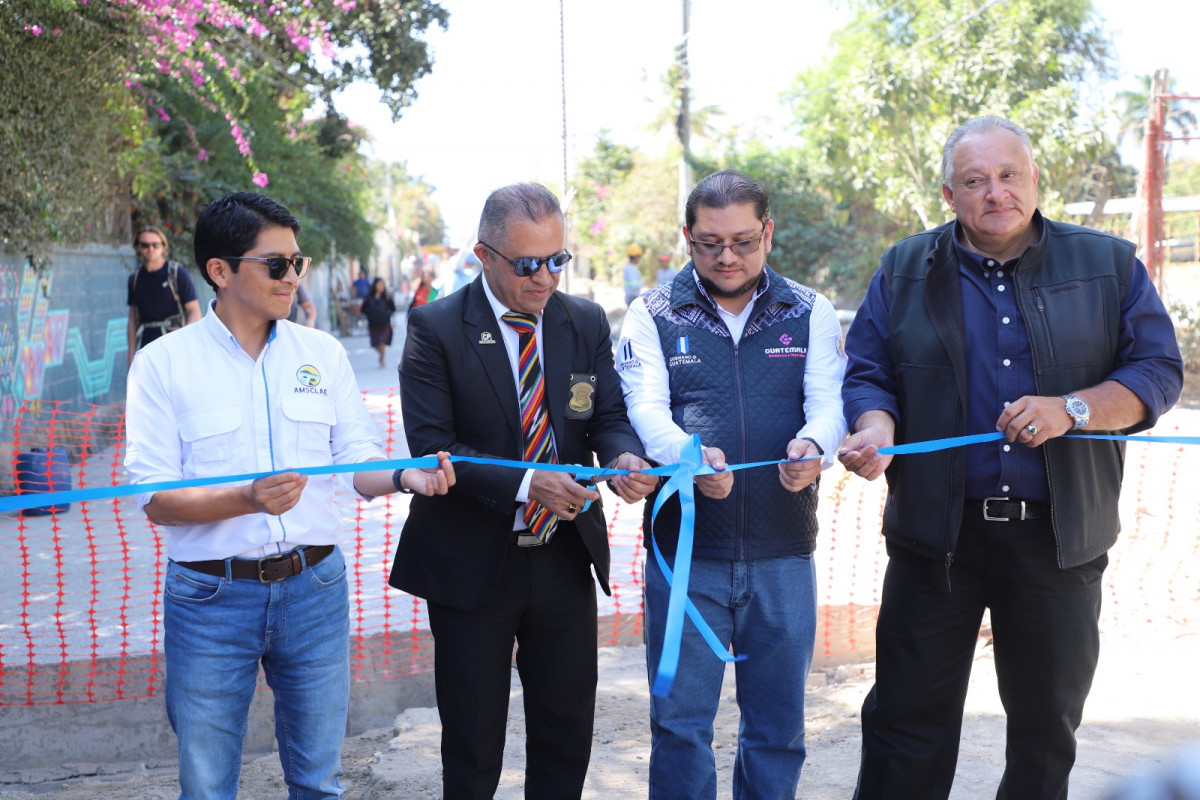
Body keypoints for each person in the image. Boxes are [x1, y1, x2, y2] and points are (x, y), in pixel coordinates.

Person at [838, 115, 1184, 800]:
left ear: (1032, 179)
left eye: (1008, 175)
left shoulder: (1108, 263)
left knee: (1045, 733)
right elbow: (869, 372)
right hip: (935, 539)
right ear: (948, 194)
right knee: (905, 727)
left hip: (1057, 542)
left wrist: (1073, 408)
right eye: (975, 181)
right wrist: (875, 427)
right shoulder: (905, 267)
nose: (995, 192)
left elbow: (1158, 372)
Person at [124, 191, 457, 799]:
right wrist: (247, 499)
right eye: (275, 264)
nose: (292, 276)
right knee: (206, 783)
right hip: (208, 597)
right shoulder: (162, 364)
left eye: (297, 262)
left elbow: (358, 462)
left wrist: (409, 477)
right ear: (220, 272)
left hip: (315, 591)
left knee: (318, 782)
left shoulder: (322, 354)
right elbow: (155, 498)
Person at [389, 182, 658, 799]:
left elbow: (607, 413)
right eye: (528, 264)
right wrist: (527, 482)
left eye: (558, 259)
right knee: (474, 740)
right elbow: (434, 445)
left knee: (566, 734)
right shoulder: (435, 327)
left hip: (564, 554)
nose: (546, 278)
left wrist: (621, 456)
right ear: (483, 256)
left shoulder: (582, 319)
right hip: (471, 560)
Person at [616, 168, 847, 799]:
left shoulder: (809, 310)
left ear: (768, 234)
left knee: (777, 728)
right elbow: (645, 410)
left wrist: (816, 446)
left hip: (784, 554)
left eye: (743, 241)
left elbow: (829, 403)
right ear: (686, 237)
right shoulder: (651, 313)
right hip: (686, 557)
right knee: (680, 726)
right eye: (709, 242)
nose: (726, 256)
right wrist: (687, 456)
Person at [127, 225, 203, 363]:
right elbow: (133, 320)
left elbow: (195, 311)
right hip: (147, 349)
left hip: (175, 348)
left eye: (155, 245)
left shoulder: (177, 273)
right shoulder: (135, 279)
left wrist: (184, 342)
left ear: (163, 247)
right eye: (145, 245)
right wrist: (131, 359)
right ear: (137, 248)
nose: (150, 249)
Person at [361, 276, 396, 368]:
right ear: (375, 285)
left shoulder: (386, 297)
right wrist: (370, 314)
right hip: (373, 325)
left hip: (384, 323)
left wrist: (387, 314)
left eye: (383, 284)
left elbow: (393, 308)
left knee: (382, 343)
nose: (381, 286)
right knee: (376, 344)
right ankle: (381, 357)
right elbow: (363, 309)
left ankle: (382, 360)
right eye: (379, 284)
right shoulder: (369, 298)